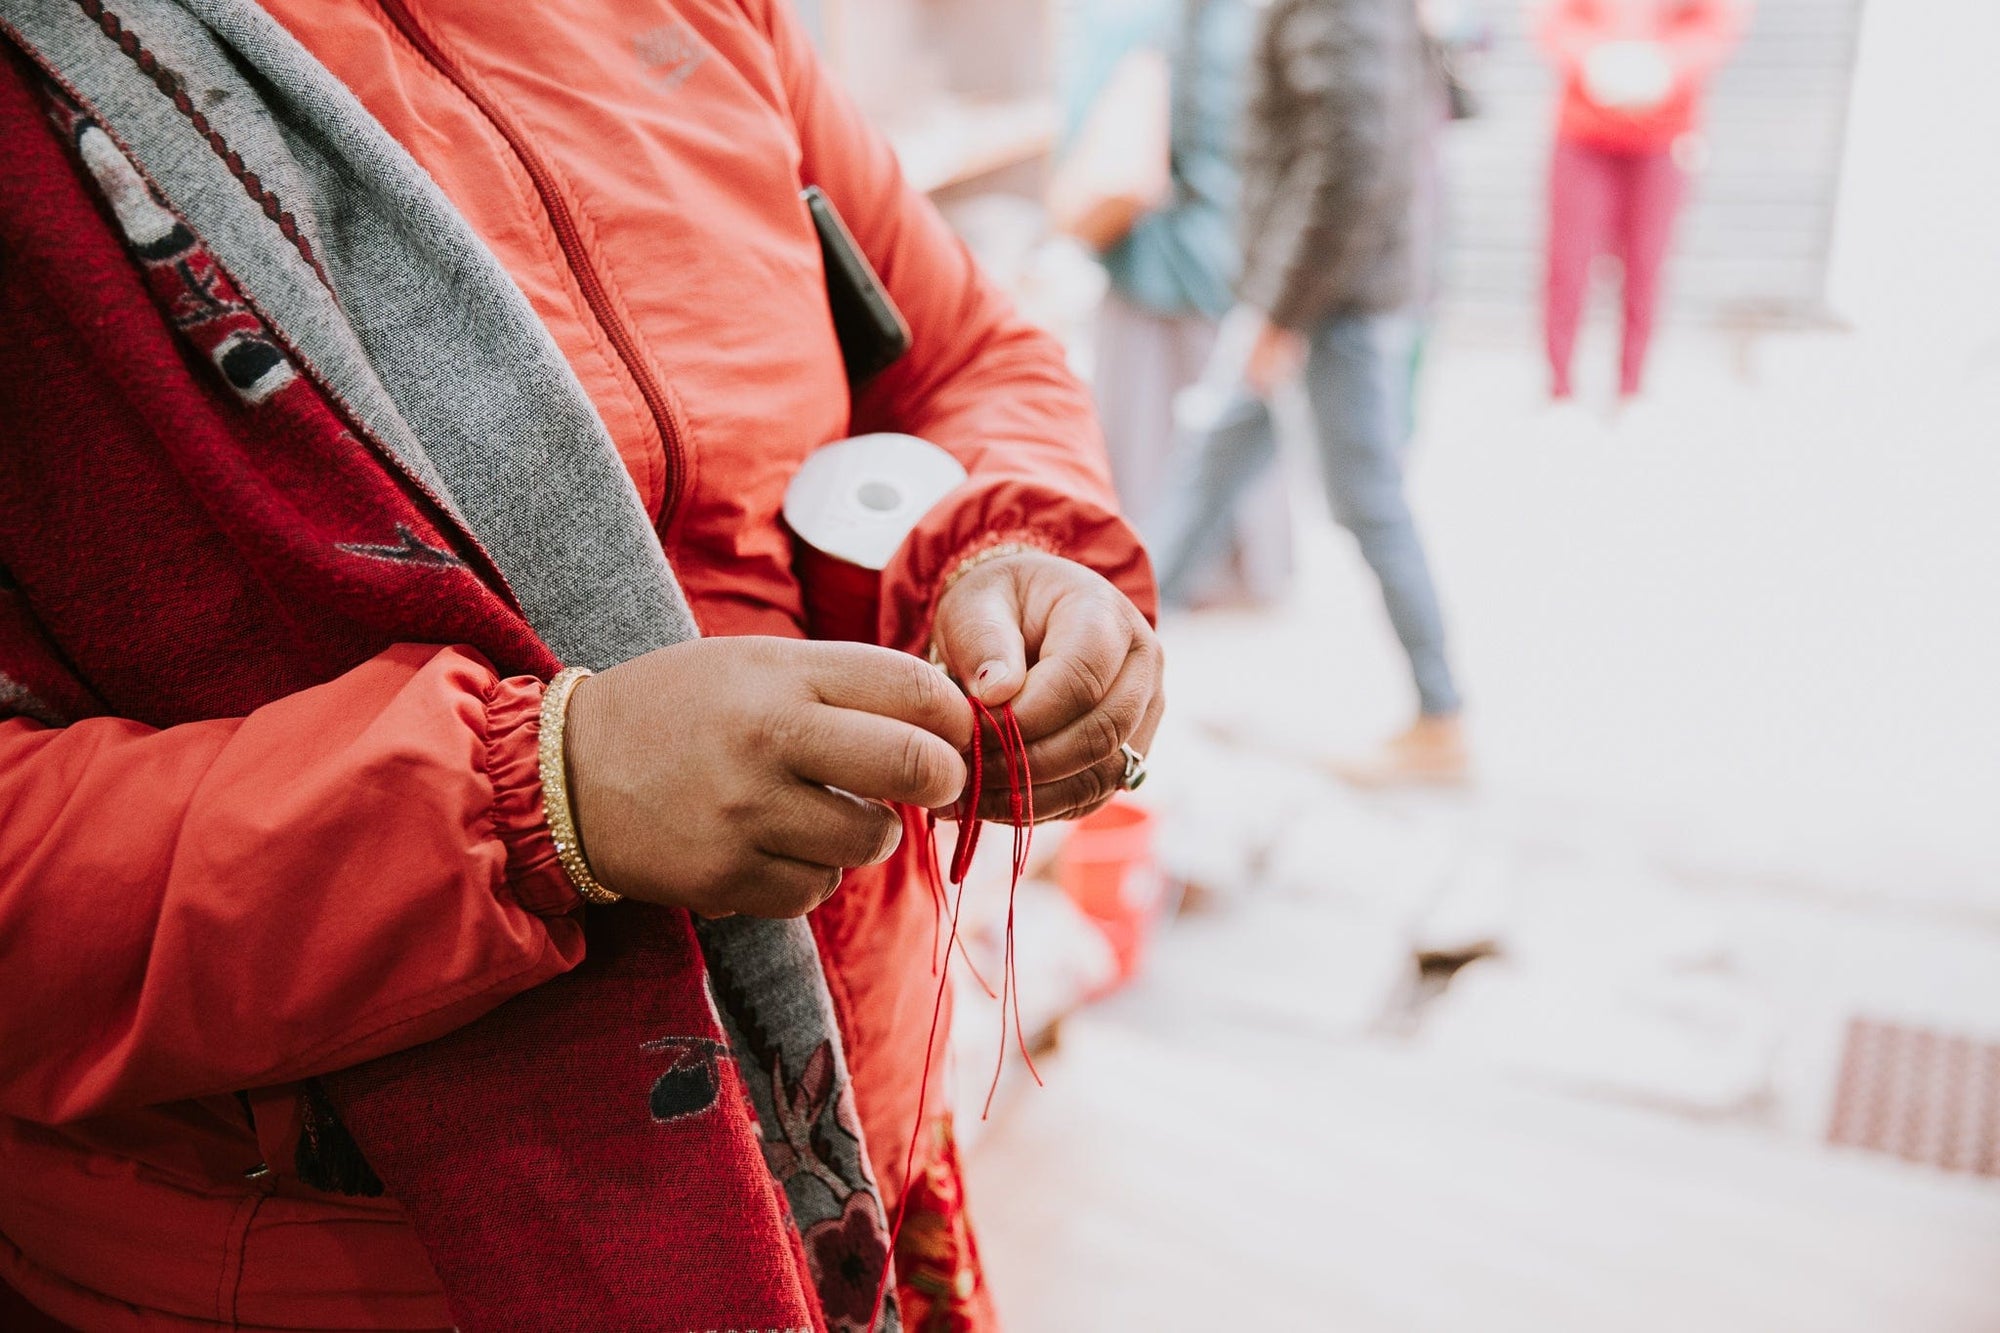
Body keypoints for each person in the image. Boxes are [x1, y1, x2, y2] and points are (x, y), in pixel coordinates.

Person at [0, 1, 1163, 1329]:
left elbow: (957, 351)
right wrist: (542, 795)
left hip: (850, 1155)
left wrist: (1015, 548)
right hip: (374, 1269)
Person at [1146, 0, 1468, 783]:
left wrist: (1280, 315)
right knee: (1209, 468)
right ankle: (1118, 651)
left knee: (1368, 503)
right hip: (1306, 292)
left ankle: (1442, 718)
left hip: (1331, 303)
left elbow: (1351, 165)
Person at [1062, 0, 1291, 607]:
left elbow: (1102, 140)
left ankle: (1156, 575)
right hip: (1233, 247)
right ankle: (1243, 571)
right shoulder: (1249, 18)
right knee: (1229, 419)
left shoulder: (1137, 20)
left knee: (1152, 429)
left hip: (1162, 254)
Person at [1536, 0, 1748, 400]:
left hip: (1664, 131)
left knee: (1647, 265)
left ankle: (1631, 390)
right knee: (1567, 264)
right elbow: (1552, 16)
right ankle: (1559, 389)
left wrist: (1667, 62)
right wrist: (1593, 57)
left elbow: (1718, 21)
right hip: (1584, 128)